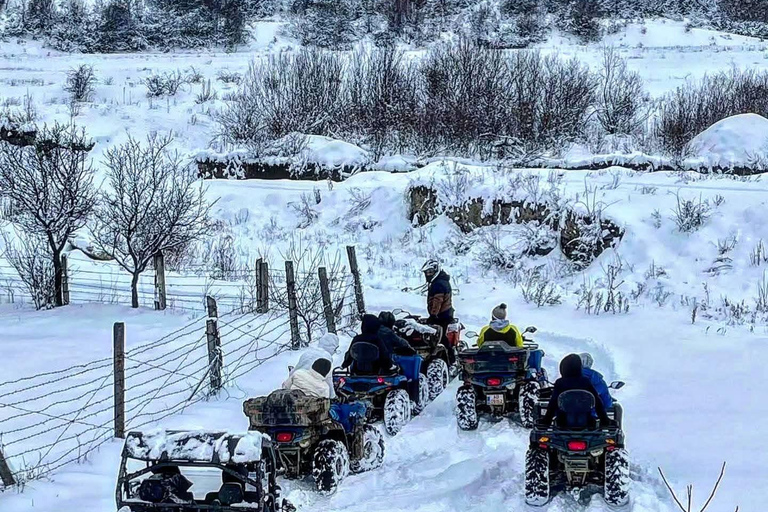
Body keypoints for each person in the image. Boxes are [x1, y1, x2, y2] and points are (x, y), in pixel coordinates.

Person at [282, 358, 366, 432]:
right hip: (311, 413)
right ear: (326, 373)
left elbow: (285, 387)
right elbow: (326, 402)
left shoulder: (298, 373)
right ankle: (348, 432)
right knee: (339, 411)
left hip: (290, 407)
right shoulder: (324, 387)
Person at [541, 353, 612, 428]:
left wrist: (547, 421)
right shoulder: (586, 382)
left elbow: (553, 403)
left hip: (563, 424)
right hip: (587, 423)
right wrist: (604, 419)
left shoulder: (560, 383)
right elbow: (597, 401)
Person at [421, 259, 456, 365]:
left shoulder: (438, 284)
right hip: (445, 313)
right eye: (427, 272)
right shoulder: (441, 281)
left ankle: (451, 358)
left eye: (430, 272)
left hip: (442, 316)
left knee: (440, 338)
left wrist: (433, 314)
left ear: (436, 271)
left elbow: (438, 300)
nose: (428, 274)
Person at [286, 332, 339, 399]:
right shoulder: (326, 358)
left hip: (297, 393)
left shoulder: (307, 353)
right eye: (335, 349)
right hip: (313, 395)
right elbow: (328, 381)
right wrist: (333, 397)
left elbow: (296, 370)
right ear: (332, 347)